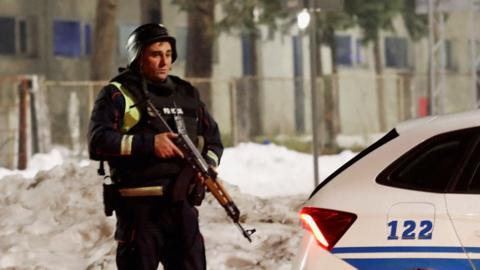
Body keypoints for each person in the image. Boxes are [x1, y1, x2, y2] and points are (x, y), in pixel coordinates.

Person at [87, 23, 223, 270]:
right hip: (139, 213)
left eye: (168, 54)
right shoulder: (118, 93)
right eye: (156, 54)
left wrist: (208, 166)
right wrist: (149, 144)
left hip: (182, 210)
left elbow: (213, 140)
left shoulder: (186, 93)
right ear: (138, 57)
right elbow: (97, 142)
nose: (164, 62)